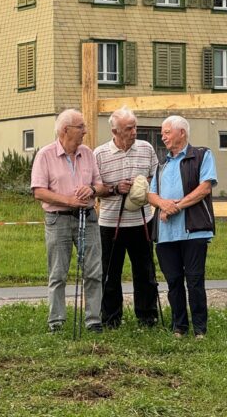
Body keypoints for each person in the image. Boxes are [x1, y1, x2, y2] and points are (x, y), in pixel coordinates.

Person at [31, 108, 104, 333]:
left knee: (93, 270)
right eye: (81, 127)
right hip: (58, 219)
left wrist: (91, 189)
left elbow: (100, 186)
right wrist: (69, 201)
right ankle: (56, 322)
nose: (85, 131)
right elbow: (39, 191)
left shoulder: (88, 154)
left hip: (88, 218)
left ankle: (93, 320)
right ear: (65, 130)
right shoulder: (45, 154)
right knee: (58, 273)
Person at [148, 115, 216, 339]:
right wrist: (163, 205)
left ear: (182, 133)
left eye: (167, 132)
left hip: (193, 230)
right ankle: (179, 327)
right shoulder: (162, 163)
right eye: (163, 132)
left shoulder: (202, 155)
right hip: (166, 233)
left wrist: (174, 206)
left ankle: (200, 329)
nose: (163, 136)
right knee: (174, 281)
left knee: (195, 280)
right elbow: (151, 194)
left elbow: (205, 188)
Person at [94, 107, 159, 328]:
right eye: (129, 128)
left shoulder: (146, 148)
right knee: (110, 273)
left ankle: (147, 317)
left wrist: (142, 183)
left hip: (141, 221)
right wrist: (115, 188)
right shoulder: (100, 154)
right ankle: (111, 319)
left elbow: (155, 176)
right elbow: (95, 188)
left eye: (135, 127)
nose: (134, 131)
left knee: (145, 272)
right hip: (111, 223)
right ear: (115, 130)